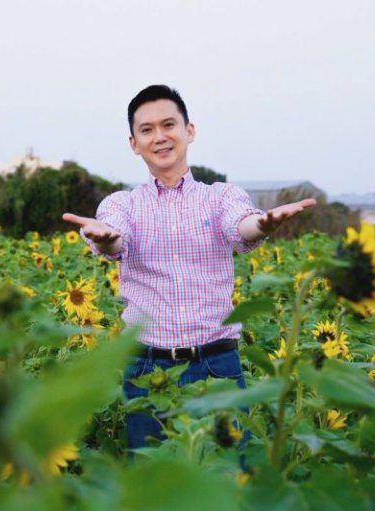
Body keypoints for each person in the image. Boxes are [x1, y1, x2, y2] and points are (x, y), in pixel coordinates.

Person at [62, 84, 316, 451]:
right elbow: (116, 239)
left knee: (228, 483)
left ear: (189, 130)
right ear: (133, 142)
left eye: (169, 125)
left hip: (217, 366)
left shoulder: (220, 197)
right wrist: (104, 237)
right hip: (148, 369)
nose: (160, 137)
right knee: (154, 487)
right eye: (146, 130)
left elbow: (239, 225)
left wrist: (263, 224)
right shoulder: (123, 204)